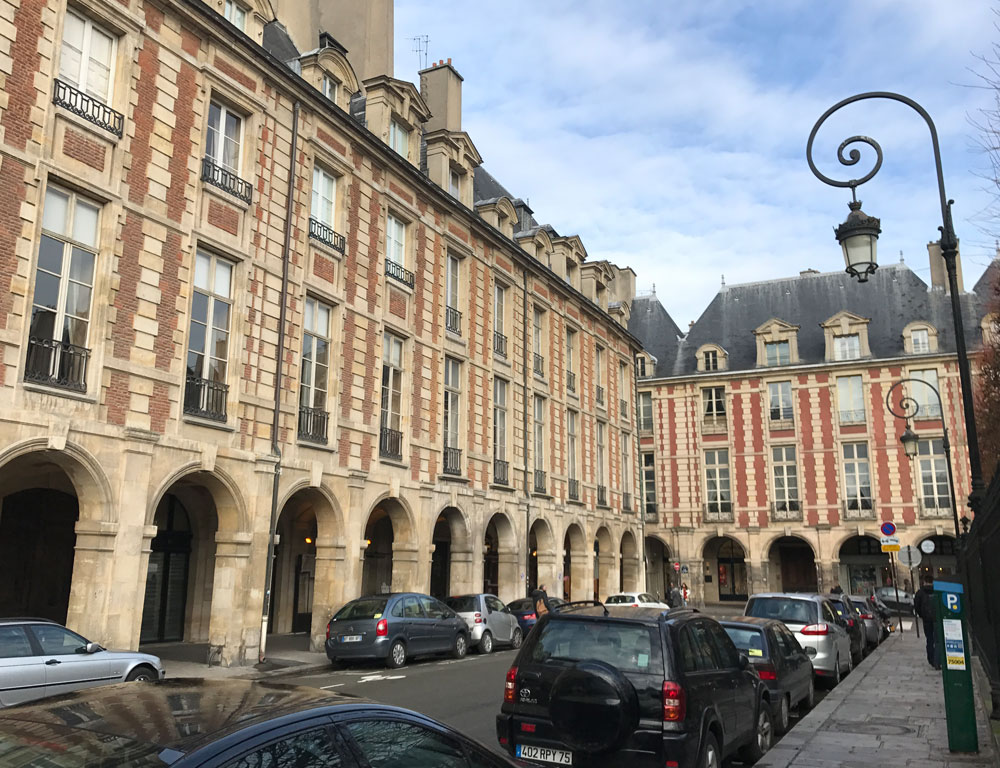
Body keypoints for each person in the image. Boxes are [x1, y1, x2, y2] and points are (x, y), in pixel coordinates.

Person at [913, 575, 939, 669]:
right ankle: (937, 660)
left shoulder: (920, 593)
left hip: (926, 619)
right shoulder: (937, 591)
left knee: (929, 639)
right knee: (938, 640)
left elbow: (916, 606)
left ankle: (931, 659)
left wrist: (921, 615)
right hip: (936, 619)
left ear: (924, 582)